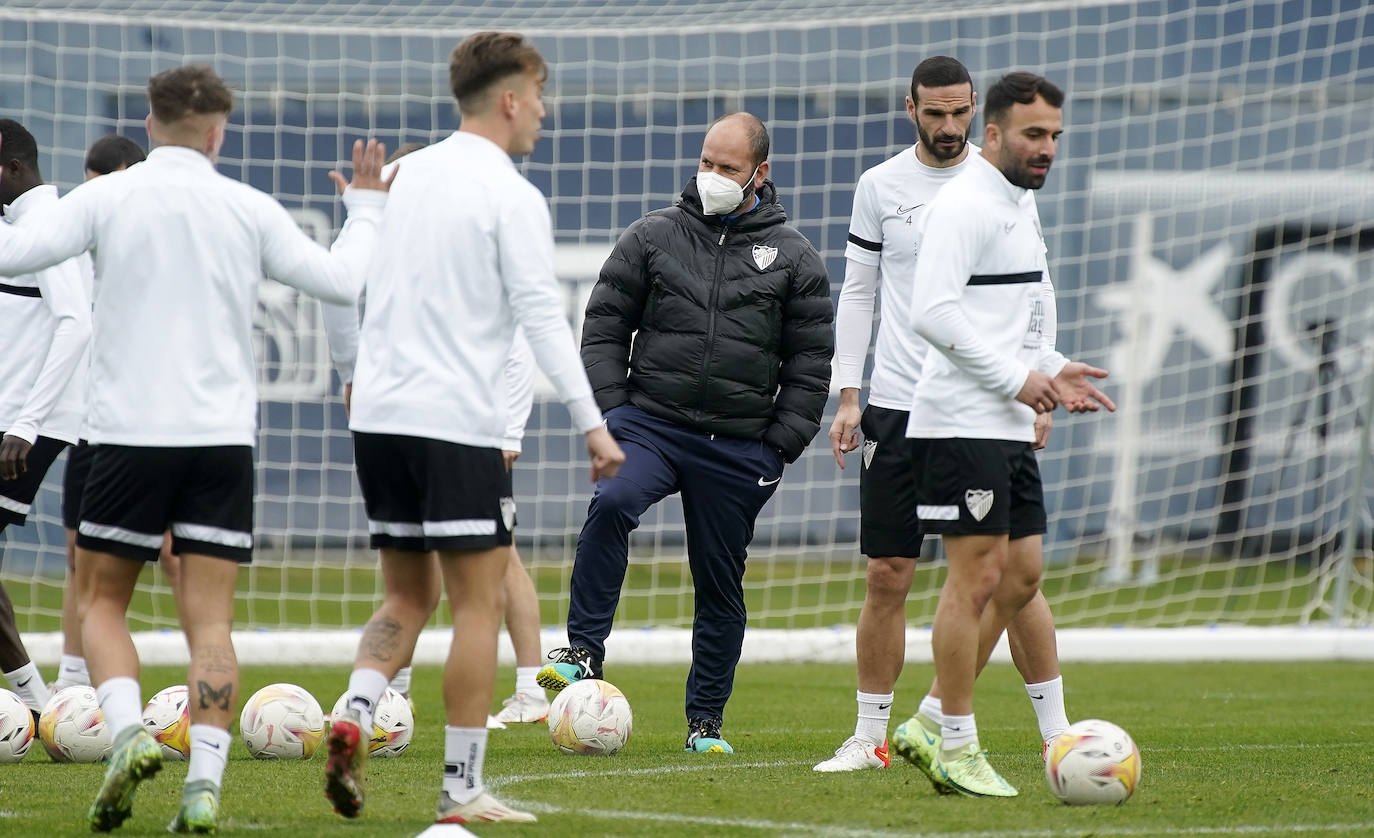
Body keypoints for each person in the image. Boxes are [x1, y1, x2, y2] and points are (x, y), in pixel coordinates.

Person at [0, 64, 388, 832]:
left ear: (149, 125)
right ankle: (203, 786)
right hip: (218, 443)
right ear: (219, 130)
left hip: (125, 437)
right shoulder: (246, 206)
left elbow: (14, 257)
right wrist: (366, 208)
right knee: (209, 624)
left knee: (101, 602)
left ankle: (128, 736)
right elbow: (343, 282)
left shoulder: (104, 197)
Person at [324, 31, 623, 827]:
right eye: (541, 92)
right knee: (476, 603)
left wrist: (355, 379)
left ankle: (355, 710)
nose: (546, 111)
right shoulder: (511, 194)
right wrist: (592, 425)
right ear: (511, 96)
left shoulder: (395, 178)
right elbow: (541, 319)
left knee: (405, 593)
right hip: (455, 423)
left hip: (381, 418)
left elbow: (338, 285)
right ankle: (459, 794)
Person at [539, 111, 834, 754]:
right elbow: (604, 327)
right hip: (649, 424)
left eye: (727, 168)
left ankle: (705, 725)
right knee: (614, 500)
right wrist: (614, 412)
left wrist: (777, 448)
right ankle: (583, 650)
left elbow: (810, 365)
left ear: (760, 173)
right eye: (706, 162)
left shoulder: (794, 256)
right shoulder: (653, 235)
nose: (712, 177)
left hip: (738, 447)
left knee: (719, 583)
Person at [814, 57, 1074, 777]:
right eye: (936, 114)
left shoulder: (1007, 189)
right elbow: (860, 293)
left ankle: (1053, 732)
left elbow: (1036, 292)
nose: (949, 127)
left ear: (978, 117)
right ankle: (871, 738)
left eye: (960, 113)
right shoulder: (882, 187)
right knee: (890, 573)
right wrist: (848, 394)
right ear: (911, 109)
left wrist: (1040, 373)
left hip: (986, 403)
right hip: (902, 405)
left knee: (1013, 575)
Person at [904, 71, 1114, 797]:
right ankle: (955, 740)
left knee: (1022, 576)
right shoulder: (965, 205)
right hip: (961, 420)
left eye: (1055, 135)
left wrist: (1053, 368)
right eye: (1033, 134)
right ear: (991, 134)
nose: (1046, 147)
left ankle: (929, 717)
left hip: (1006, 421)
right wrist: (1016, 380)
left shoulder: (1019, 205)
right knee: (977, 579)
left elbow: (1009, 319)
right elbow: (931, 312)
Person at [321, 143, 551, 728]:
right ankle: (391, 699)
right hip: (424, 420)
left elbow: (519, 335)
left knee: (492, 566)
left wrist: (506, 428)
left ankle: (530, 686)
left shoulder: (457, 235)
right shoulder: (398, 247)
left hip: (472, 418)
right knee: (426, 576)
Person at [52, 134, 157, 695]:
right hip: (94, 425)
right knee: (79, 554)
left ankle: (204, 691)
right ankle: (73, 687)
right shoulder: (80, 241)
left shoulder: (160, 242)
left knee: (183, 558)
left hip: (159, 424)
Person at [0, 118, 92, 720]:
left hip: (23, 428)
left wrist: (26, 425)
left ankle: (42, 704)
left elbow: (76, 322)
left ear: (8, 165)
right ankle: (40, 702)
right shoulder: (15, 229)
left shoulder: (48, 227)